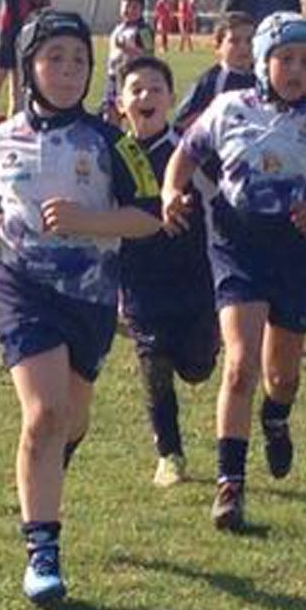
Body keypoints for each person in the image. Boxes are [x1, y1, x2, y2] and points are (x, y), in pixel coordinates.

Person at [0, 10, 163, 603]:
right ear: (29, 66)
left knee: (72, 418)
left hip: (91, 300)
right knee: (44, 414)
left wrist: (88, 221)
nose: (67, 70)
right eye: (54, 58)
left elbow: (148, 218)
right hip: (22, 291)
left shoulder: (114, 141)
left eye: (78, 59)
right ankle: (43, 551)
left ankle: (45, 465)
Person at [164, 13, 306, 531]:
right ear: (262, 62)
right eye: (286, 60)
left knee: (282, 375)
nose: (297, 71)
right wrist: (170, 192)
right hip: (238, 248)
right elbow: (184, 156)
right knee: (239, 363)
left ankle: (276, 417)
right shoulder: (229, 109)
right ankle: (231, 486)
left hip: (298, 255)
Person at [111, 55, 220, 486]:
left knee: (196, 367)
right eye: (136, 89)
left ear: (172, 98)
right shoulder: (112, 155)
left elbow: (226, 196)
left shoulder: (193, 151)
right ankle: (169, 453)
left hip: (197, 279)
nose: (146, 97)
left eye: (156, 89)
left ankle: (197, 353)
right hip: (139, 283)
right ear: (121, 103)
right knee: (153, 365)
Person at [175, 12, 259, 132]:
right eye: (234, 41)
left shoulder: (265, 78)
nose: (244, 47)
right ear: (218, 46)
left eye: (249, 40)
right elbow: (182, 124)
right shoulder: (210, 81)